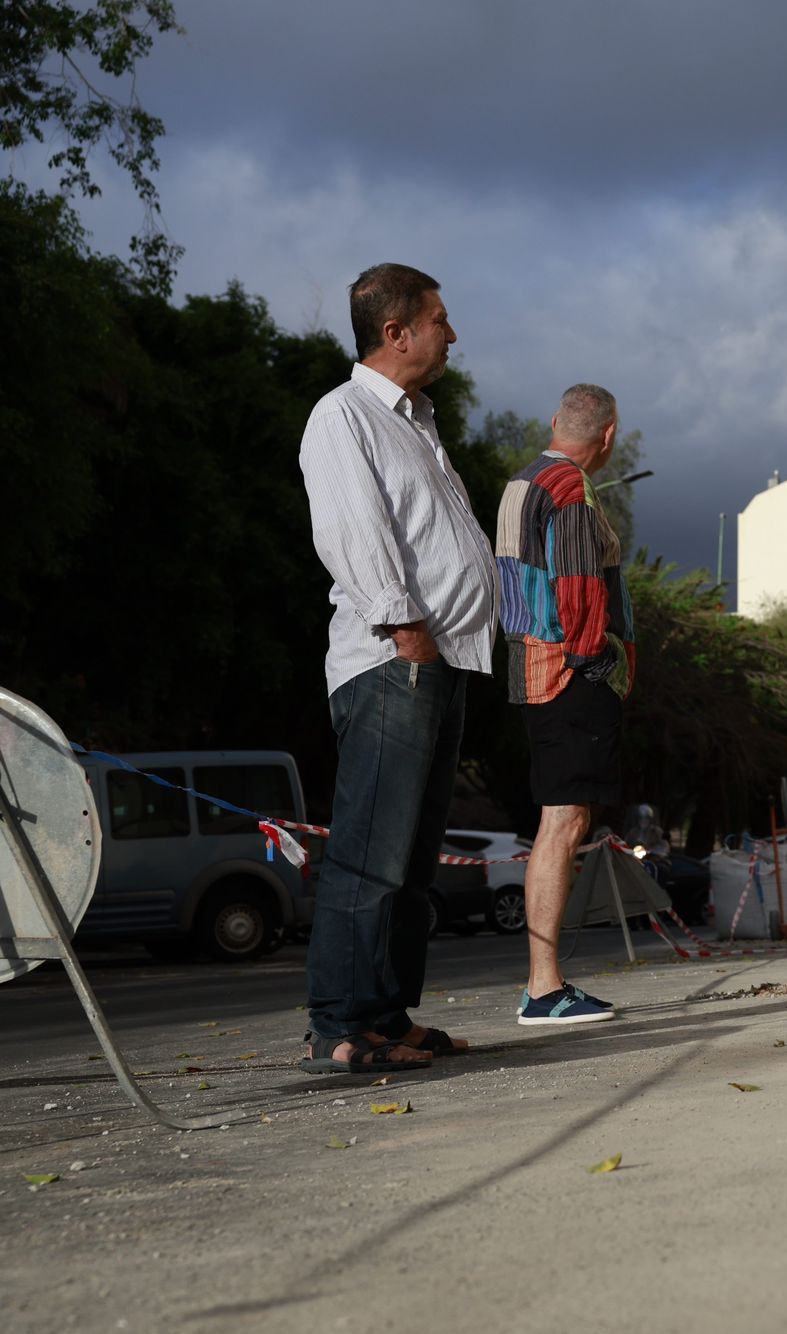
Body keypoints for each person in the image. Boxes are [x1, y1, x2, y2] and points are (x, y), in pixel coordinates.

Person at [296, 263, 496, 1073]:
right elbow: (353, 532)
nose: (453, 334)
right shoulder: (344, 415)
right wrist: (410, 634)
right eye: (440, 319)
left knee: (411, 862)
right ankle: (341, 1028)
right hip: (391, 660)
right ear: (396, 331)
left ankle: (387, 1015)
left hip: (436, 662)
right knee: (371, 855)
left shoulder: (417, 422)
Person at [494, 383, 634, 1025]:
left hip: (532, 668)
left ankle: (544, 985)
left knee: (560, 818)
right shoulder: (571, 488)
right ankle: (544, 988)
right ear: (608, 435)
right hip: (566, 675)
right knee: (565, 820)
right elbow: (578, 590)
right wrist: (595, 661)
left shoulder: (522, 481)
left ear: (556, 422)